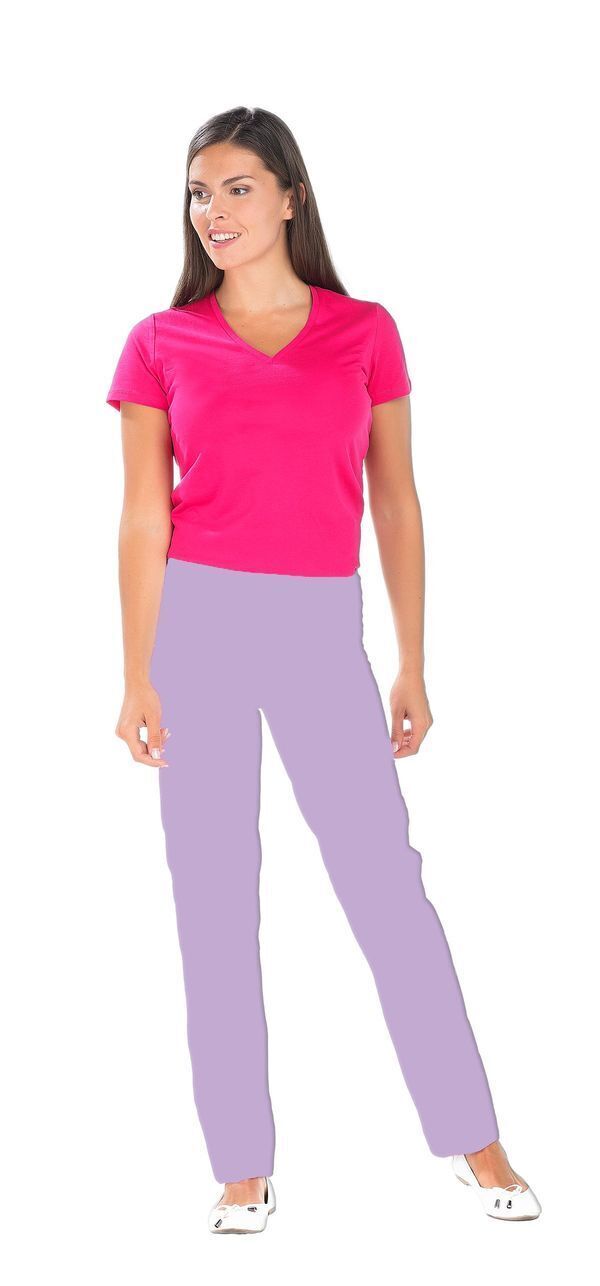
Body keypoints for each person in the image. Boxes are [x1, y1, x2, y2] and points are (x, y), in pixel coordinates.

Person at [106, 106, 541, 1233]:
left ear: (292, 196)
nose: (212, 211)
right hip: (198, 620)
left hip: (317, 625)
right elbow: (145, 514)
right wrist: (137, 673)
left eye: (238, 187)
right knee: (211, 896)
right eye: (199, 191)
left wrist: (413, 660)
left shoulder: (364, 331)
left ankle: (475, 1136)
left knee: (386, 887)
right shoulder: (161, 340)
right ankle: (240, 1164)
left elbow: (395, 499)